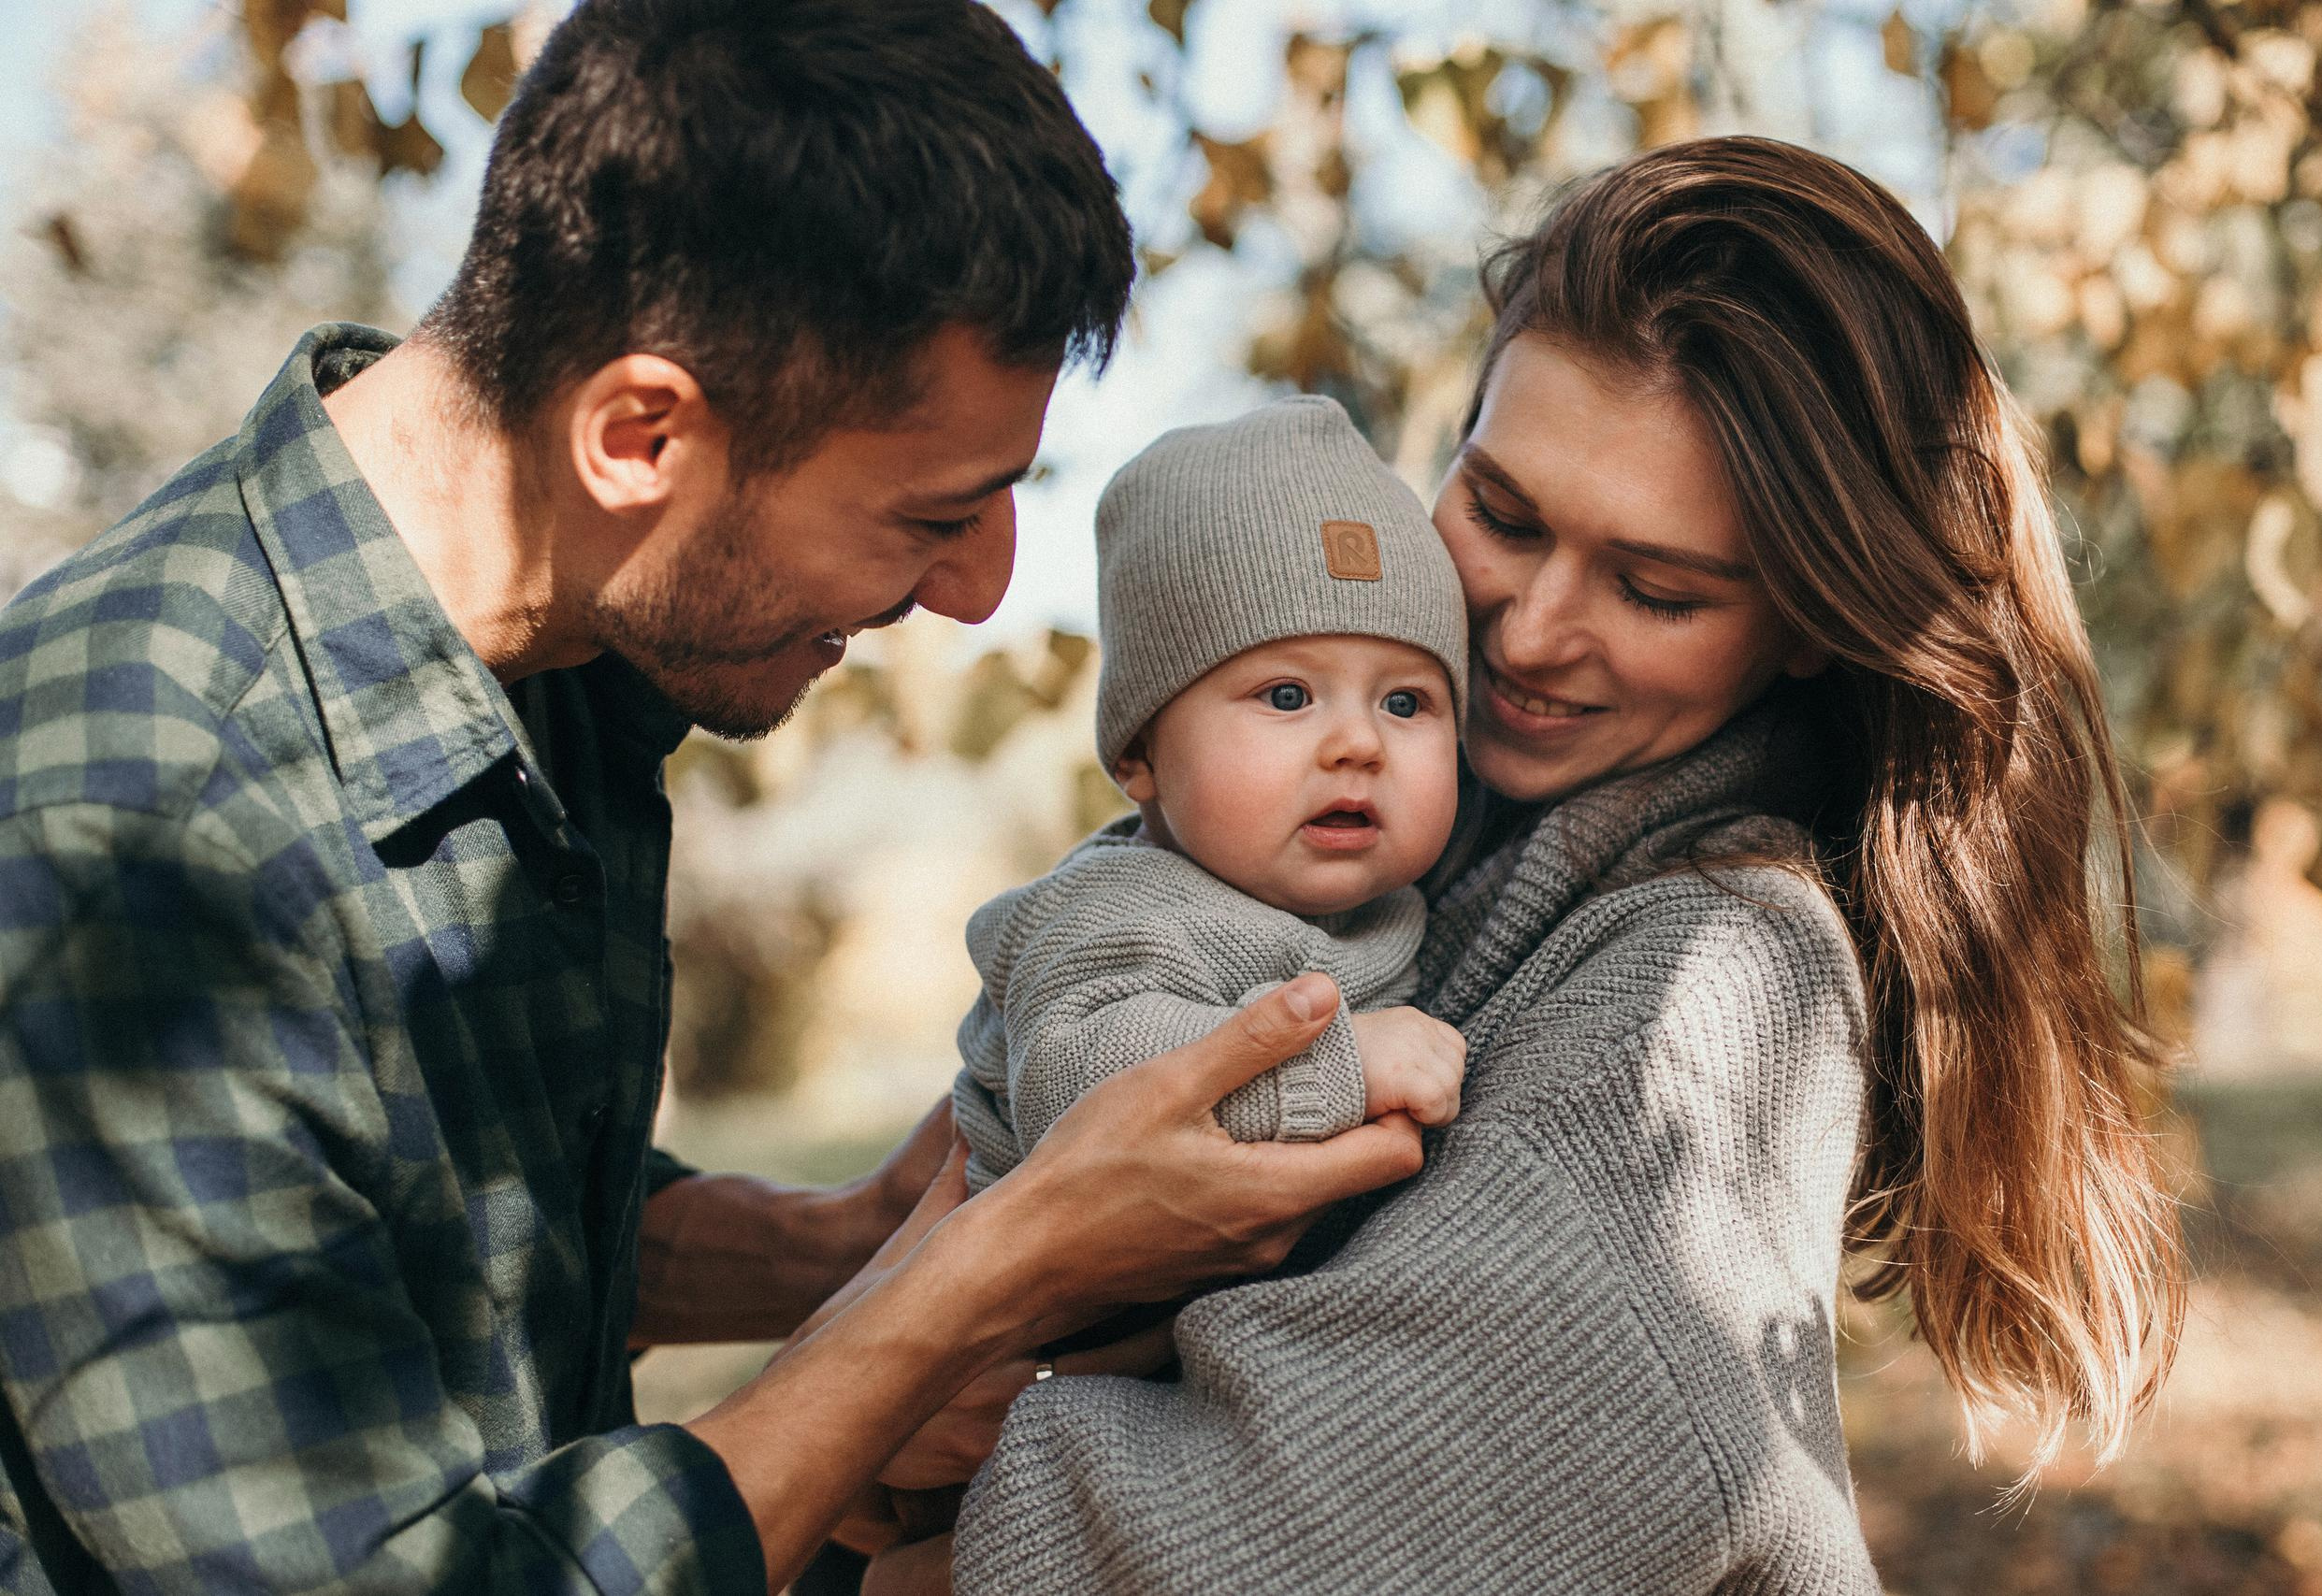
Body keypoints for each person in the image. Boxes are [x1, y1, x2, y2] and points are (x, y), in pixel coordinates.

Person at [0, 5, 1441, 1591]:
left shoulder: (555, 652)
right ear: (640, 434)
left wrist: (840, 1240)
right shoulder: (126, 829)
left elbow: (423, 1231)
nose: (977, 594)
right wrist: (970, 1282)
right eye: (932, 514)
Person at [878, 137, 2188, 1594]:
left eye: (1654, 587)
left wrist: (929, 1463)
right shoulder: (1428, 855)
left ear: (1810, 619)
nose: (1524, 628)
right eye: (1500, 513)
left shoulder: (1711, 996)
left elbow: (1273, 1543)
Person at [951, 396, 1472, 1198]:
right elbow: (1078, 1084)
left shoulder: (1395, 905)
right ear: (1139, 755)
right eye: (1289, 695)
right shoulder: (1115, 913)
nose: (1360, 743)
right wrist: (1346, 1063)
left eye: (1404, 703)